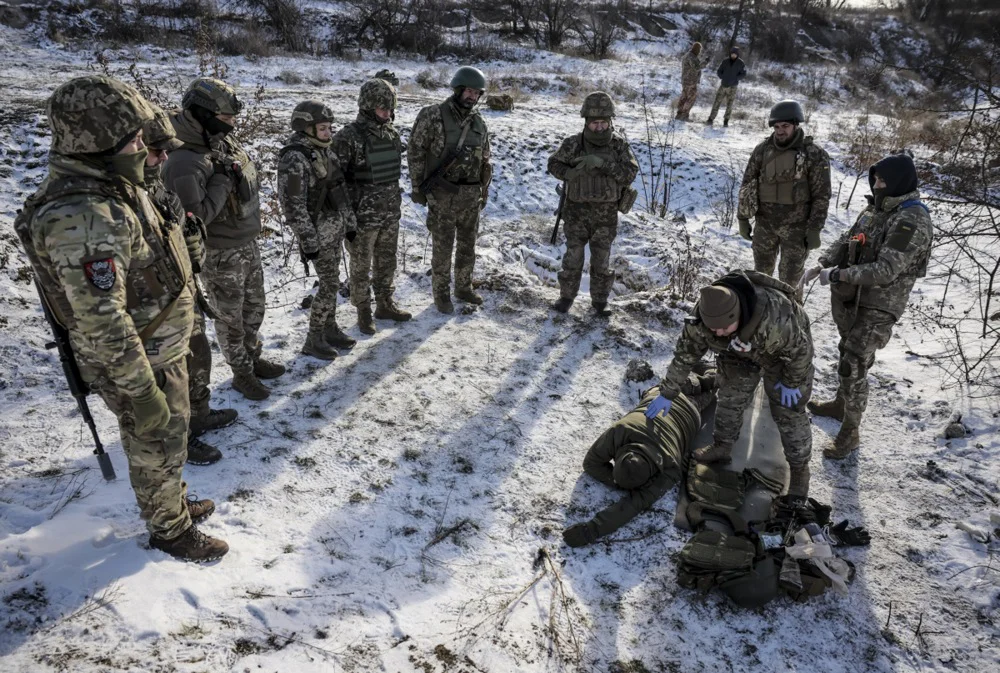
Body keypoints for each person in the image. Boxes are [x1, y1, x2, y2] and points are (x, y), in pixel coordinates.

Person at [15, 75, 227, 561]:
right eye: (134, 139)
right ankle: (169, 530)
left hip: (159, 348)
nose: (144, 147)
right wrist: (141, 390)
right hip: (139, 361)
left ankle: (171, 502)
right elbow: (103, 323)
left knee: (169, 441)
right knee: (154, 441)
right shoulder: (84, 216)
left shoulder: (113, 185)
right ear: (97, 142)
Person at [801, 152, 933, 459]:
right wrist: (823, 262)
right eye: (874, 179)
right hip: (854, 298)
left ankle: (851, 433)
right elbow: (848, 238)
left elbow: (886, 269)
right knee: (847, 350)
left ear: (900, 182)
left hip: (879, 304)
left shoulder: (911, 218)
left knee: (854, 361)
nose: (877, 185)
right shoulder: (875, 210)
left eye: (883, 180)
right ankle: (840, 404)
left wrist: (837, 274)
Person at [163, 77, 285, 401]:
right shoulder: (183, 161)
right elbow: (194, 221)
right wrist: (222, 180)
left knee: (254, 310)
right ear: (204, 114)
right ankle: (241, 374)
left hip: (246, 242)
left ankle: (252, 359)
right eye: (226, 118)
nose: (232, 125)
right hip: (220, 253)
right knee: (231, 319)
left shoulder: (216, 139)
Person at [645, 271, 814, 498]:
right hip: (737, 351)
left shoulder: (775, 316)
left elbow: (801, 351)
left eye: (724, 328)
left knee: (787, 410)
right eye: (714, 330)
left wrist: (792, 382)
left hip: (784, 355)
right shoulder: (702, 319)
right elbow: (685, 355)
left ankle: (800, 468)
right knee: (729, 397)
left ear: (738, 314)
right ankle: (722, 446)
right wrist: (668, 392)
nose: (718, 333)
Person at [142, 105, 237, 465]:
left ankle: (198, 415)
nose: (165, 157)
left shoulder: (153, 190)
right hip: (155, 310)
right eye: (155, 150)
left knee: (198, 357)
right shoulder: (119, 201)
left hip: (183, 292)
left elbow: (185, 228)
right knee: (169, 379)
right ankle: (180, 438)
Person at [563, 372, 718, 547]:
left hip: (691, 411)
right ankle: (706, 377)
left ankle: (709, 377)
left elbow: (632, 504)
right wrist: (617, 483)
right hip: (664, 395)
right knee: (693, 380)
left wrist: (593, 529)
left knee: (711, 389)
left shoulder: (669, 467)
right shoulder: (622, 430)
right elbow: (590, 464)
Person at [408, 66, 493, 314]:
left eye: (477, 93)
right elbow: (415, 152)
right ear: (457, 89)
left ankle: (463, 287)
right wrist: (417, 187)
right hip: (443, 195)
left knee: (468, 246)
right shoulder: (432, 115)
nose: (472, 97)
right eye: (468, 91)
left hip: (470, 196)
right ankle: (441, 294)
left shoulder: (479, 122)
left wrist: (483, 192)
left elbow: (485, 159)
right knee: (442, 247)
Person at [277, 100, 358, 358]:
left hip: (334, 231)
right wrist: (308, 241)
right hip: (317, 236)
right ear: (306, 129)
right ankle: (313, 338)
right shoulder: (294, 159)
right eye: (323, 129)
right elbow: (293, 206)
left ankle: (329, 328)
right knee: (329, 283)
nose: (328, 133)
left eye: (329, 128)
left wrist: (350, 225)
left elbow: (340, 191)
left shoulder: (326, 152)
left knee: (332, 282)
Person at [547, 91, 639, 316]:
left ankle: (599, 301)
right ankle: (566, 297)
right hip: (576, 211)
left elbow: (629, 174)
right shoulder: (573, 144)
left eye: (604, 122)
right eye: (595, 122)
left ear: (610, 121)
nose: (599, 127)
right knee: (573, 257)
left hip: (605, 214)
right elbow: (553, 164)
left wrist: (604, 164)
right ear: (586, 122)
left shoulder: (618, 146)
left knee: (601, 259)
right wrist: (568, 173)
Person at [332, 78, 411, 334]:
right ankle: (363, 310)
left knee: (387, 260)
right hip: (362, 218)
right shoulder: (348, 137)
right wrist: (346, 217)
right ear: (367, 107)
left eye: (390, 109)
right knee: (360, 265)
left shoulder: (391, 133)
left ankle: (385, 303)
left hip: (389, 212)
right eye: (382, 109)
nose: (387, 114)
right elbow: (335, 181)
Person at [736, 100, 831, 288]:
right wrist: (743, 218)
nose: (780, 131)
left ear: (796, 124)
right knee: (761, 278)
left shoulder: (814, 154)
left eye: (785, 126)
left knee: (790, 283)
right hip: (765, 225)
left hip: (797, 229)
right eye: (777, 126)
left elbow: (821, 195)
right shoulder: (763, 150)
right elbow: (747, 184)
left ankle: (792, 315)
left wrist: (814, 229)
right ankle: (763, 314)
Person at [706, 47, 747, 127]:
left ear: (737, 54)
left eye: (735, 54)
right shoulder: (725, 61)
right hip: (723, 85)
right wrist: (722, 77)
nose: (733, 55)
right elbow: (719, 71)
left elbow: (743, 74)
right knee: (716, 102)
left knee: (730, 104)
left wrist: (736, 78)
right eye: (732, 53)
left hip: (733, 87)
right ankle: (711, 119)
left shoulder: (741, 63)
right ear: (730, 53)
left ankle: (726, 121)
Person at [676, 41, 707, 121]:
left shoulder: (687, 55)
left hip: (685, 80)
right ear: (697, 49)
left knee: (684, 97)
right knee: (691, 98)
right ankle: (684, 115)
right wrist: (705, 62)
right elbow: (696, 67)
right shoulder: (691, 57)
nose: (699, 52)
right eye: (699, 50)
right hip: (691, 81)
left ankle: (679, 114)